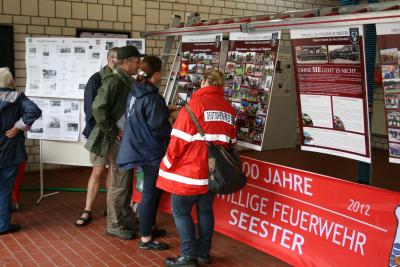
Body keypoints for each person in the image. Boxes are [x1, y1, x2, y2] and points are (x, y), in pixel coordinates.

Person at [156, 69, 237, 267]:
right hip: (212, 175)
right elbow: (231, 142)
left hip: (188, 175)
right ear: (221, 86)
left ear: (203, 82)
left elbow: (177, 143)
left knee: (181, 212)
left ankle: (188, 257)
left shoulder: (193, 107)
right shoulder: (229, 110)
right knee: (205, 210)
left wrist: (166, 164)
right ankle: (203, 254)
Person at [84, 46, 141, 240]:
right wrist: (113, 130)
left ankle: (122, 217)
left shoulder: (126, 81)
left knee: (123, 180)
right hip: (114, 139)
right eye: (136, 62)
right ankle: (114, 224)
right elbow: (97, 108)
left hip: (123, 140)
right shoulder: (115, 81)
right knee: (118, 182)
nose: (138, 65)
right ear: (127, 62)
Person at [117, 56, 173, 251]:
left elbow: (142, 116)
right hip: (151, 151)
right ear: (156, 74)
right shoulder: (153, 97)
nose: (162, 76)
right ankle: (146, 239)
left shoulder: (134, 92)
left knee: (153, 193)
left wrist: (164, 111)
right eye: (161, 73)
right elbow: (158, 128)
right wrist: (171, 125)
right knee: (150, 194)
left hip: (137, 148)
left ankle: (150, 227)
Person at [75, 47, 119, 227]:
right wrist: (105, 131)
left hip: (118, 135)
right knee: (98, 171)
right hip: (101, 133)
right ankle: (87, 209)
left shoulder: (124, 80)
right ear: (110, 58)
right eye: (117, 58)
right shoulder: (96, 79)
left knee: (114, 171)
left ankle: (110, 207)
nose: (120, 62)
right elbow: (90, 110)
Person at [0, 67, 41, 234]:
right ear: (11, 82)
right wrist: (18, 127)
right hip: (10, 150)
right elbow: (34, 110)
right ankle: (3, 225)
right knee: (4, 188)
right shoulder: (17, 97)